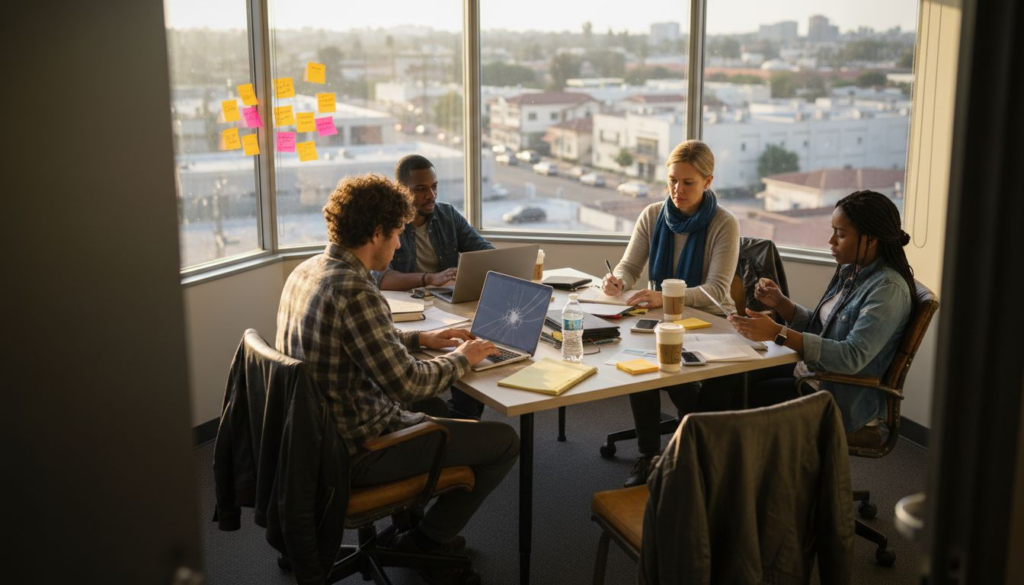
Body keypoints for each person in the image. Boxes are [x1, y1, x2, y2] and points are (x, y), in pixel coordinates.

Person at [276, 174, 519, 585]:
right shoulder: (356, 290)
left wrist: (419, 337)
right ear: (376, 233)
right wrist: (463, 357)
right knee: (503, 442)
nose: (401, 244)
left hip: (313, 440)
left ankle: (414, 526)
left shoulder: (310, 270)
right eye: (397, 234)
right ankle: (424, 541)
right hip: (359, 449)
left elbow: (354, 341)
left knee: (441, 412)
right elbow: (408, 384)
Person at [602, 140, 740, 487]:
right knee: (639, 364)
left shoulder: (724, 224)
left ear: (708, 181)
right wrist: (617, 280)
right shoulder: (652, 214)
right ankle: (649, 456)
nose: (677, 190)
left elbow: (716, 291)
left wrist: (664, 298)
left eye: (688, 182)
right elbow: (630, 266)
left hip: (713, 322)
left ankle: (692, 444)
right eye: (672, 181)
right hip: (666, 319)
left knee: (676, 375)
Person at [722, 190, 915, 437]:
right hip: (815, 375)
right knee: (732, 377)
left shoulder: (888, 290)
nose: (831, 241)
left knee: (742, 395)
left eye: (840, 234)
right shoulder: (853, 271)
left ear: (871, 239)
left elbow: (851, 357)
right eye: (833, 231)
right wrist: (782, 304)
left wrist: (778, 333)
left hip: (838, 396)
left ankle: (722, 463)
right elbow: (824, 328)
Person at [374, 154, 494, 420]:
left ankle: (465, 414)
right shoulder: (391, 223)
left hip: (444, 306)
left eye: (434, 186)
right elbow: (381, 277)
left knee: (468, 336)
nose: (431, 195)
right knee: (452, 350)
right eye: (421, 189)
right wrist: (429, 278)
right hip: (407, 311)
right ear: (401, 190)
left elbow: (485, 252)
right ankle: (456, 420)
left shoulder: (447, 215)